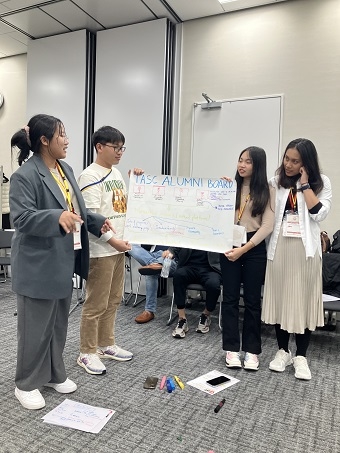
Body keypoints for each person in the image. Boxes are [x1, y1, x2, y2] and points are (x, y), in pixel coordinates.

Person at [9, 114, 114, 410]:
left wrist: (96, 221)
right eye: (62, 135)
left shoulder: (64, 168)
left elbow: (73, 208)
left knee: (56, 324)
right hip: (36, 264)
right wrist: (55, 217)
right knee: (35, 328)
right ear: (44, 141)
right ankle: (26, 383)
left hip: (63, 260)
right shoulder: (25, 176)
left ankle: (54, 373)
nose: (67, 140)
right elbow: (22, 218)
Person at [261, 138, 332, 380]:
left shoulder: (322, 183)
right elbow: (256, 197)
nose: (288, 165)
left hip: (306, 251)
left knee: (302, 302)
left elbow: (319, 212)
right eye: (286, 159)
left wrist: (304, 185)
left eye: (295, 161)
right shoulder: (275, 182)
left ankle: (301, 356)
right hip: (280, 249)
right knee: (281, 300)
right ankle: (283, 351)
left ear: (306, 164)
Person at [77, 126, 143, 375]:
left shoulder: (116, 172)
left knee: (114, 299)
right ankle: (87, 351)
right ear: (99, 147)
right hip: (101, 250)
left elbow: (123, 208)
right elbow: (91, 217)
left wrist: (137, 181)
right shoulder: (89, 175)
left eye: (122, 147)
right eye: (115, 147)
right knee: (95, 302)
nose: (119, 152)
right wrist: (113, 241)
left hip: (118, 248)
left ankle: (105, 344)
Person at [220, 146, 275, 371]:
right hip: (229, 244)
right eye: (240, 160)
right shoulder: (229, 186)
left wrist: (245, 249)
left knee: (252, 301)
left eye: (248, 162)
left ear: (258, 165)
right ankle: (231, 349)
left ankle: (252, 350)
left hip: (253, 247)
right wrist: (219, 191)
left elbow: (268, 225)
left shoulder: (267, 190)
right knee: (230, 298)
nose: (242, 165)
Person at [170, 247, 222, 338]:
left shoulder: (218, 232)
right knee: (178, 275)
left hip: (211, 269)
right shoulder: (188, 231)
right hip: (189, 266)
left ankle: (206, 314)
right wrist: (171, 251)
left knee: (213, 284)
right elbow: (178, 241)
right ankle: (182, 318)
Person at [128, 244, 178, 323]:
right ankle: (154, 264)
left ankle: (149, 311)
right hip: (154, 255)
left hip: (172, 257)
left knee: (151, 273)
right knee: (129, 246)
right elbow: (145, 246)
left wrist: (171, 252)